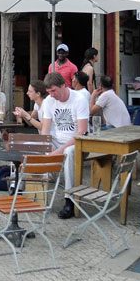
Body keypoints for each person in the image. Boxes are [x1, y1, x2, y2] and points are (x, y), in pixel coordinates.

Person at [40, 72, 89, 219]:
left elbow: (81, 131)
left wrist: (59, 150)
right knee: (38, 147)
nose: (52, 95)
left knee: (68, 152)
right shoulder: (49, 100)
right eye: (49, 92)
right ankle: (38, 195)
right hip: (56, 140)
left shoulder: (79, 99)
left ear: (63, 86)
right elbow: (45, 129)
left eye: (53, 91)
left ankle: (69, 199)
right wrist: (48, 146)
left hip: (78, 143)